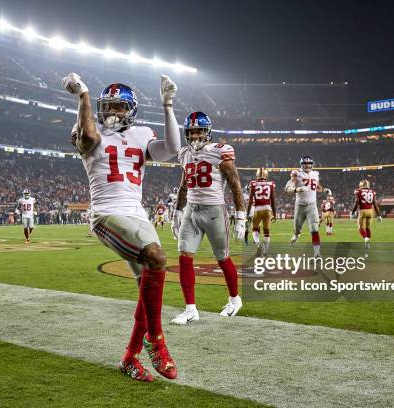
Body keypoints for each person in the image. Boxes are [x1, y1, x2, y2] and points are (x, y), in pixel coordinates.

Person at [63, 72, 180, 382]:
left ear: (131, 110)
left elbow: (170, 150)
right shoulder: (88, 126)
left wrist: (168, 104)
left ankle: (129, 357)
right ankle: (156, 341)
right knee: (156, 258)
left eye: (120, 107)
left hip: (137, 216)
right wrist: (84, 96)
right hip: (106, 214)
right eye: (109, 106)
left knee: (146, 292)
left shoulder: (142, 134)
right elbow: (88, 139)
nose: (113, 112)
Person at [170, 111, 246, 325]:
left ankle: (234, 299)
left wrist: (241, 216)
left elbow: (235, 184)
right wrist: (177, 211)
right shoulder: (184, 154)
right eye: (191, 132)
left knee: (223, 258)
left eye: (198, 131)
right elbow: (184, 185)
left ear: (207, 132)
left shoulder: (220, 152)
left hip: (214, 211)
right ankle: (190, 309)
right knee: (184, 256)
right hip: (191, 211)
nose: (194, 136)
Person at [284, 156, 331, 257]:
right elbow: (288, 188)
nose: (307, 165)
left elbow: (317, 186)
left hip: (312, 206)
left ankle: (317, 253)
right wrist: (297, 189)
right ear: (301, 164)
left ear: (312, 164)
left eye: (309, 164)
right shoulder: (297, 173)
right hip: (300, 206)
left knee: (314, 229)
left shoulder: (315, 174)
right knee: (297, 228)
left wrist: (324, 190)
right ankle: (296, 235)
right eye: (305, 163)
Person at [247, 167, 276, 256]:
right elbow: (273, 201)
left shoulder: (253, 183)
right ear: (266, 175)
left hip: (257, 209)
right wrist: (274, 214)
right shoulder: (271, 184)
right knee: (266, 231)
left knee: (255, 229)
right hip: (268, 209)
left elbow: (250, 201)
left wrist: (248, 213)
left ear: (257, 175)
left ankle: (258, 244)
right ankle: (266, 252)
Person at [351, 180, 382, 248]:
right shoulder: (372, 192)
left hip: (362, 211)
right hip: (370, 211)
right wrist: (379, 215)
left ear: (361, 185)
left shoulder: (358, 191)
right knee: (367, 227)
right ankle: (368, 245)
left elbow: (356, 202)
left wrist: (352, 212)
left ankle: (365, 238)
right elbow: (375, 204)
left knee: (360, 227)